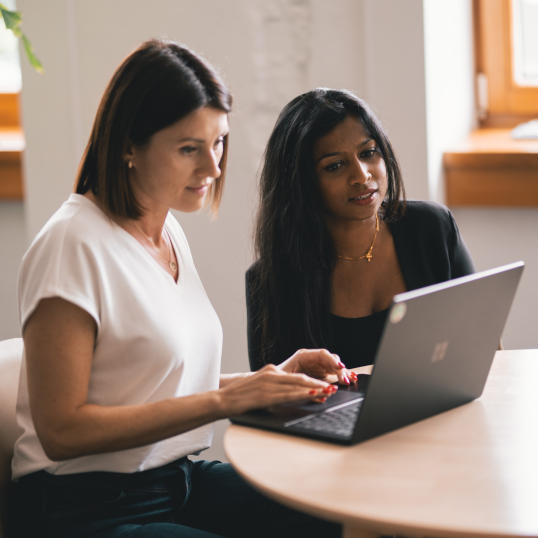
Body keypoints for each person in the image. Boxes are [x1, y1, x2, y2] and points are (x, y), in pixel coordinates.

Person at [10, 41, 351, 538]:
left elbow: (152, 388)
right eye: (189, 148)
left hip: (177, 480)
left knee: (338, 509)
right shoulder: (71, 245)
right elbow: (62, 431)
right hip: (83, 508)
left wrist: (265, 382)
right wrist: (227, 401)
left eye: (218, 143)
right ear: (129, 144)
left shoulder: (166, 230)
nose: (212, 169)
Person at [247, 88, 475, 371]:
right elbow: (270, 399)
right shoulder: (272, 278)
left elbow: (484, 347)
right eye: (335, 166)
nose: (362, 175)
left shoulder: (433, 229)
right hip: (334, 416)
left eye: (368, 153)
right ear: (300, 183)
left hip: (446, 410)